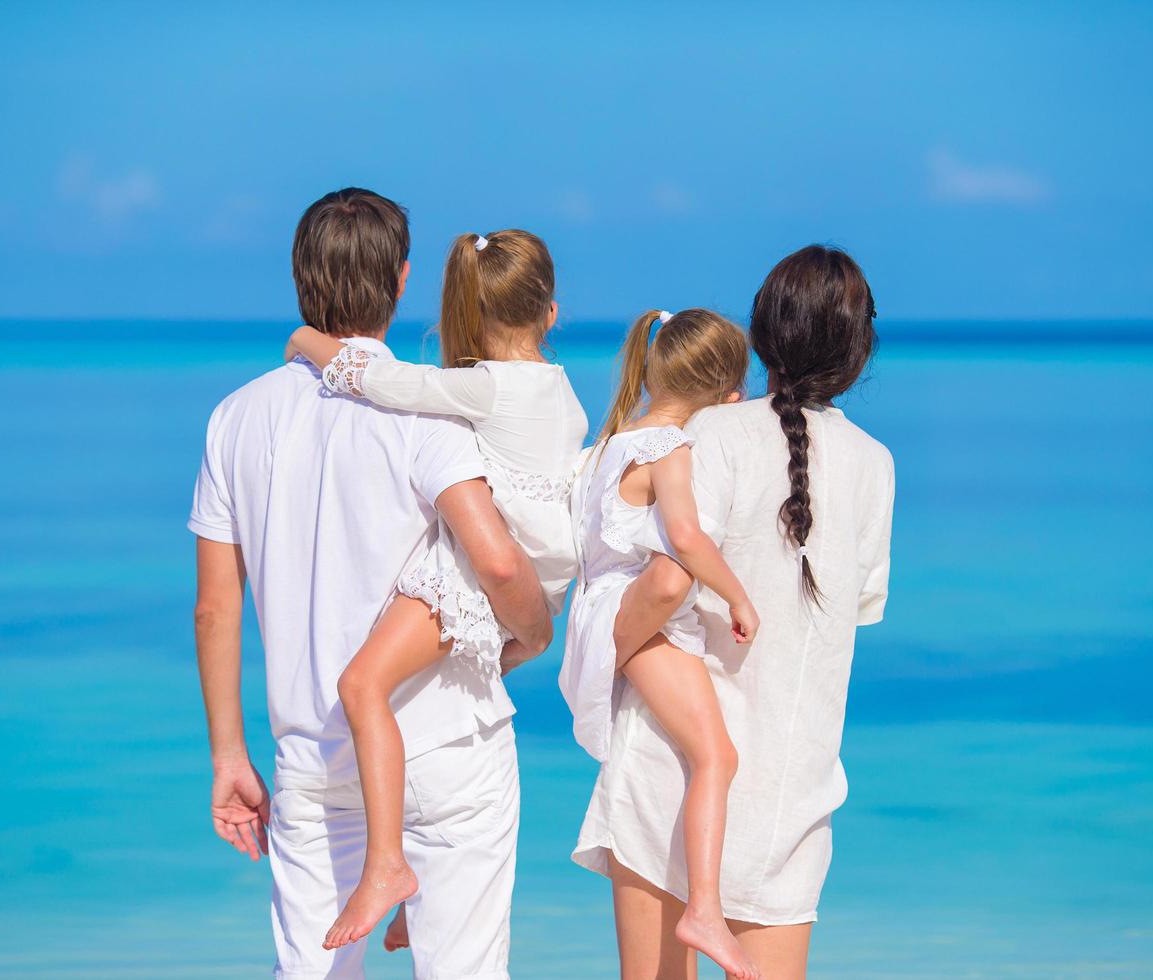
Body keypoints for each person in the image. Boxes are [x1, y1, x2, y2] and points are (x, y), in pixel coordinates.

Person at [189, 188, 552, 979]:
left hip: (312, 753)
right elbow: (495, 560)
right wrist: (536, 628)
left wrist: (227, 754)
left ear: (299, 279)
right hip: (445, 743)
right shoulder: (429, 413)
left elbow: (215, 607)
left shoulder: (236, 419)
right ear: (401, 282)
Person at [573, 247, 894, 980]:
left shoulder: (708, 436)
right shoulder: (875, 465)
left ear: (760, 338)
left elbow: (660, 584)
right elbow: (857, 610)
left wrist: (604, 650)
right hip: (790, 794)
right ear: (858, 346)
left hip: (671, 776)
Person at [282, 227, 588, 950]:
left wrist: (305, 342)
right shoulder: (564, 391)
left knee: (361, 685)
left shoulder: (483, 387)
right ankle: (410, 901)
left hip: (473, 584)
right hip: (541, 592)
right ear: (550, 313)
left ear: (469, 312)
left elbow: (381, 379)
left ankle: (387, 865)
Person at [562, 309, 762, 980]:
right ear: (723, 393)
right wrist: (736, 595)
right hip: (634, 614)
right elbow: (685, 539)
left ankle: (700, 903)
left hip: (604, 612)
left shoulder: (613, 440)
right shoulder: (667, 448)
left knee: (704, 754)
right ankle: (704, 906)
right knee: (716, 755)